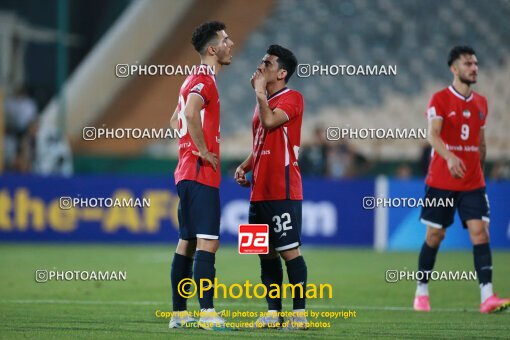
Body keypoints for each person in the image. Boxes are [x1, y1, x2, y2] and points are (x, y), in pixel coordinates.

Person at [414, 46, 509, 313]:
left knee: (480, 232)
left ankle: (487, 296)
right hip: (442, 181)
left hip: (472, 183)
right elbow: (433, 135)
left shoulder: (482, 103)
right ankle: (421, 290)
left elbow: (480, 143)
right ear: (454, 69)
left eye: (476, 63)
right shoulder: (439, 99)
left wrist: (478, 168)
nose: (474, 68)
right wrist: (450, 157)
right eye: (468, 63)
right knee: (435, 235)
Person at [235, 45, 308, 330]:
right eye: (261, 61)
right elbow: (262, 143)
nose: (261, 66)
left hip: (283, 189)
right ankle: (273, 313)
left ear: (282, 72)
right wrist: (245, 166)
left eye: (267, 62)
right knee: (264, 254)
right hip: (259, 191)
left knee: (290, 252)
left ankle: (299, 314)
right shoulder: (264, 101)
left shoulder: (293, 99)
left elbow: (270, 121)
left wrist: (259, 92)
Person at [168, 21, 234, 330]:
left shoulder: (191, 79)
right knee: (208, 243)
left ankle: (179, 314)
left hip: (185, 172)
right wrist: (204, 150)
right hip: (199, 172)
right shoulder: (205, 80)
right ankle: (207, 314)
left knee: (187, 242)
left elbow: (175, 120)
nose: (230, 44)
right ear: (212, 49)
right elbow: (191, 114)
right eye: (224, 40)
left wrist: (188, 147)